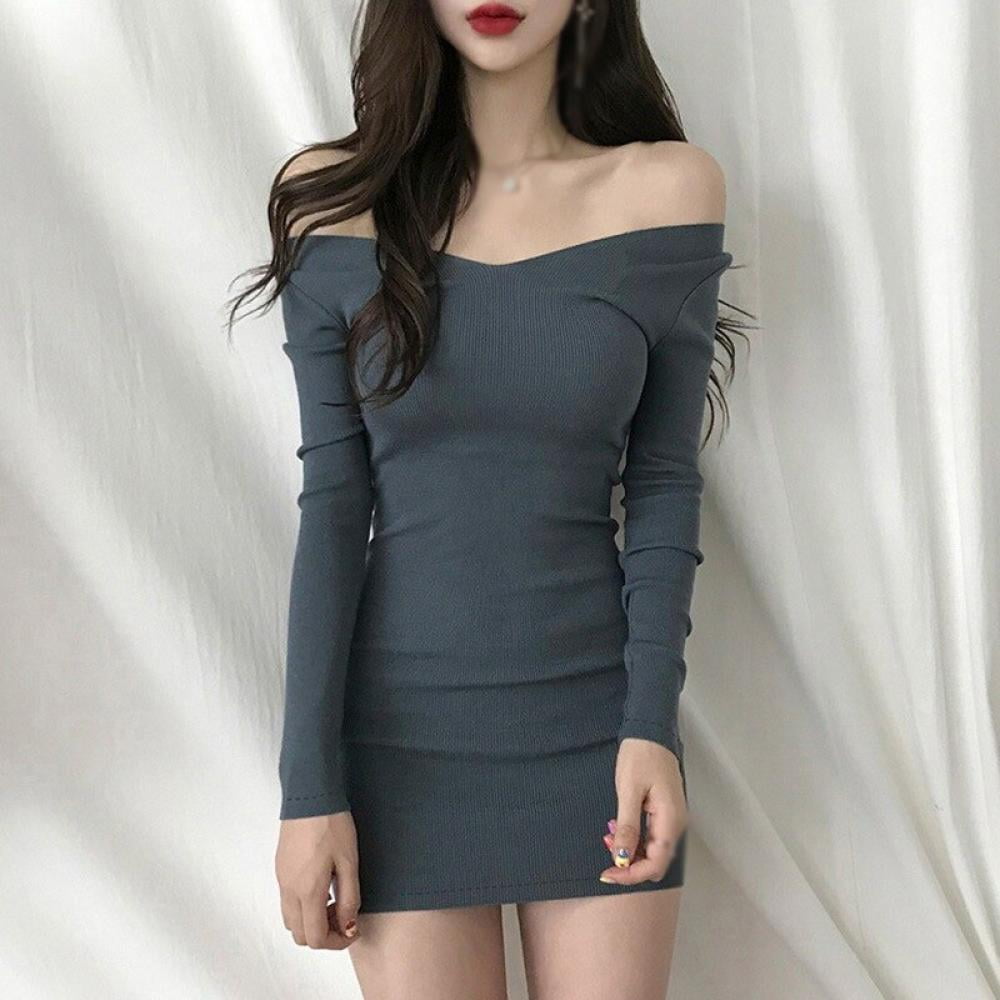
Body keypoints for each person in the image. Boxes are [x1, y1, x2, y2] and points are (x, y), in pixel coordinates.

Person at [228, 1, 748, 996]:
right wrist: (308, 789)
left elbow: (663, 483)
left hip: (599, 734)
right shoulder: (330, 202)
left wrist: (651, 726)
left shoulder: (667, 190)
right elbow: (333, 503)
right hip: (397, 748)